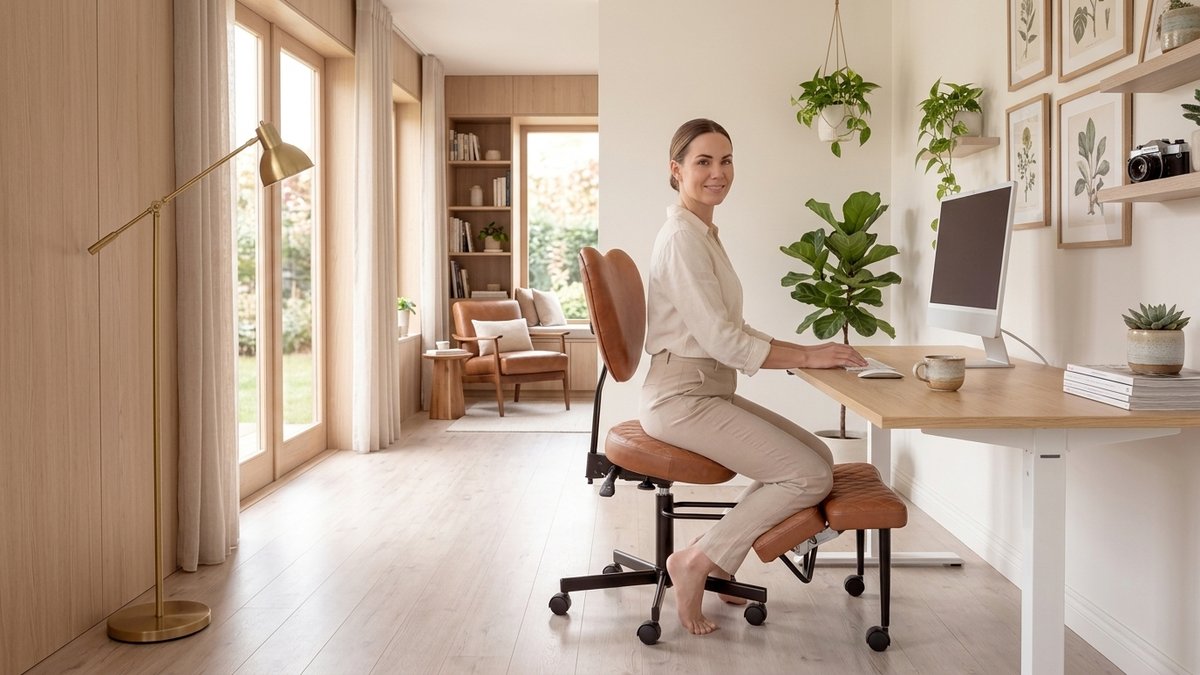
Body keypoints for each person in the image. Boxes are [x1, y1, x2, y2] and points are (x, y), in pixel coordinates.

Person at [639, 118, 868, 636]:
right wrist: (806, 360)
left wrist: (806, 350)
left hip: (706, 389)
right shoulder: (681, 239)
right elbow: (723, 341)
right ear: (676, 171)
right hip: (682, 399)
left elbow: (732, 327)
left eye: (726, 160)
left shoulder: (702, 233)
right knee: (806, 475)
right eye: (703, 162)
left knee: (821, 458)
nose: (718, 173)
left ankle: (715, 559)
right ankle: (698, 561)